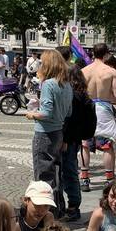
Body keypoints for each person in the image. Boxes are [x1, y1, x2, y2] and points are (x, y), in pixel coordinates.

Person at [26, 49, 72, 189]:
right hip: (58, 132)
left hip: (45, 133)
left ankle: (46, 208)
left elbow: (46, 113)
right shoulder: (66, 84)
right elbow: (69, 112)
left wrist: (32, 114)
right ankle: (57, 206)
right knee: (55, 172)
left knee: (43, 175)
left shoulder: (48, 84)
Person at [81, 43, 116, 190]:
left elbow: (78, 93)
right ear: (106, 54)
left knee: (85, 144)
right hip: (104, 108)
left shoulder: (84, 71)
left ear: (93, 53)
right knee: (107, 145)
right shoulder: (111, 72)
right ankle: (109, 178)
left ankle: (85, 179)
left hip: (87, 108)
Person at [61, 66, 94, 221]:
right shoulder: (85, 96)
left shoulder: (73, 96)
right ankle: (73, 205)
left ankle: (72, 206)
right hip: (75, 139)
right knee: (70, 171)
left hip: (68, 139)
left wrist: (65, 140)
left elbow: (70, 121)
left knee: (67, 172)